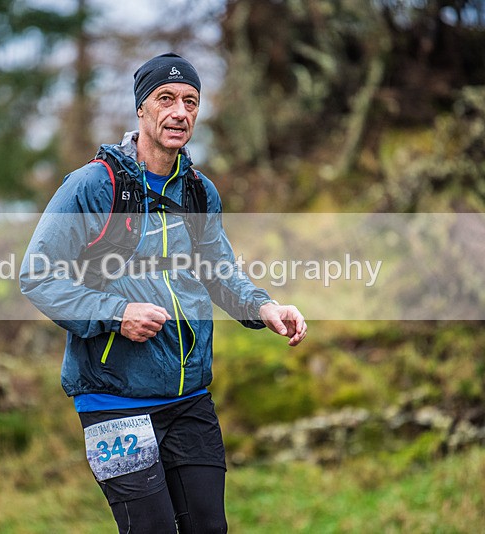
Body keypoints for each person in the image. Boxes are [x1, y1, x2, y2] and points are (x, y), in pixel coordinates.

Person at [19, 52, 307, 533]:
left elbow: (219, 273)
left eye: (191, 101)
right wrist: (116, 312)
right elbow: (37, 276)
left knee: (209, 528)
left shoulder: (198, 191)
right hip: (115, 400)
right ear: (142, 109)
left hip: (190, 397)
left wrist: (265, 306)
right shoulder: (93, 185)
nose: (180, 112)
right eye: (166, 98)